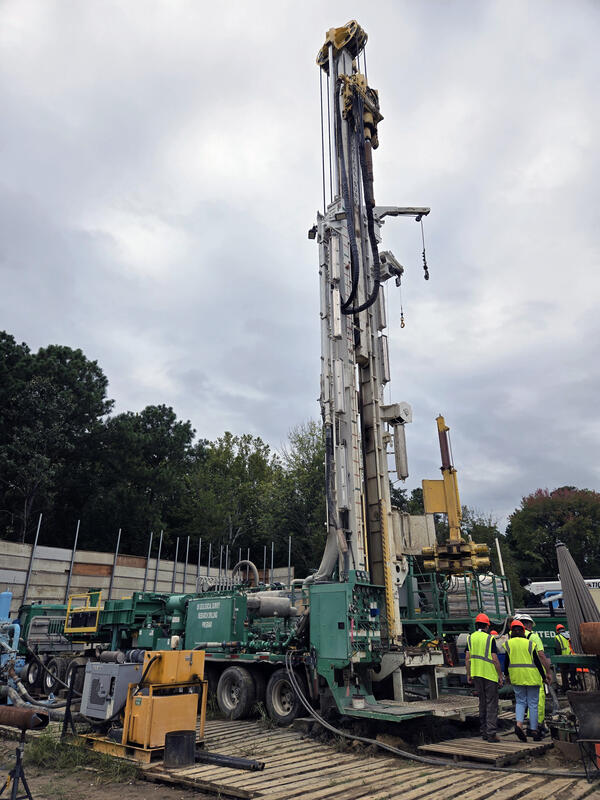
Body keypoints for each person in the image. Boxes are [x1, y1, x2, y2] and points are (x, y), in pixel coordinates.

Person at [505, 619, 550, 741]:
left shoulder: (508, 644)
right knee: (533, 704)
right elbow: (537, 662)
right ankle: (534, 730)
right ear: (523, 631)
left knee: (520, 702)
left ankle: (519, 725)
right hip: (531, 678)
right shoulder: (530, 644)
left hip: (516, 677)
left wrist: (507, 676)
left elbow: (506, 662)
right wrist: (545, 677)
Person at [465, 612, 504, 743]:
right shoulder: (489, 639)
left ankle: (484, 732)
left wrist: (469, 674)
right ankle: (491, 733)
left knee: (482, 703)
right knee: (491, 704)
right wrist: (500, 675)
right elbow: (494, 659)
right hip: (489, 675)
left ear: (476, 625)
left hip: (476, 674)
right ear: (487, 626)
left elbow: (467, 658)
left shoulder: (470, 638)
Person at [515, 613, 552, 736]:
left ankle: (525, 724)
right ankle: (536, 726)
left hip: (518, 675)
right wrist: (547, 672)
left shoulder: (513, 638)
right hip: (534, 674)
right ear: (529, 625)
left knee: (521, 701)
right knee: (537, 700)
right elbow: (541, 656)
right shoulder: (533, 637)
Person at [554, 623, 576, 692]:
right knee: (573, 672)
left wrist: (559, 659)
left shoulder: (558, 637)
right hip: (572, 656)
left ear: (557, 631)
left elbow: (558, 649)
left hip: (563, 657)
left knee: (564, 674)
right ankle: (574, 685)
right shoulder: (570, 635)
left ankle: (566, 688)